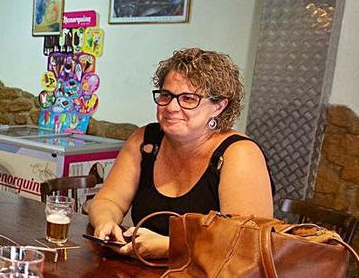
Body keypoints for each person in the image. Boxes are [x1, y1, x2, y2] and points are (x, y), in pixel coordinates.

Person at [88, 48, 273, 259]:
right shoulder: (145, 140)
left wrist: (171, 246)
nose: (172, 107)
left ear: (219, 107)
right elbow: (108, 201)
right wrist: (106, 223)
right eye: (166, 95)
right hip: (145, 272)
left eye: (188, 99)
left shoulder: (240, 154)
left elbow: (248, 244)